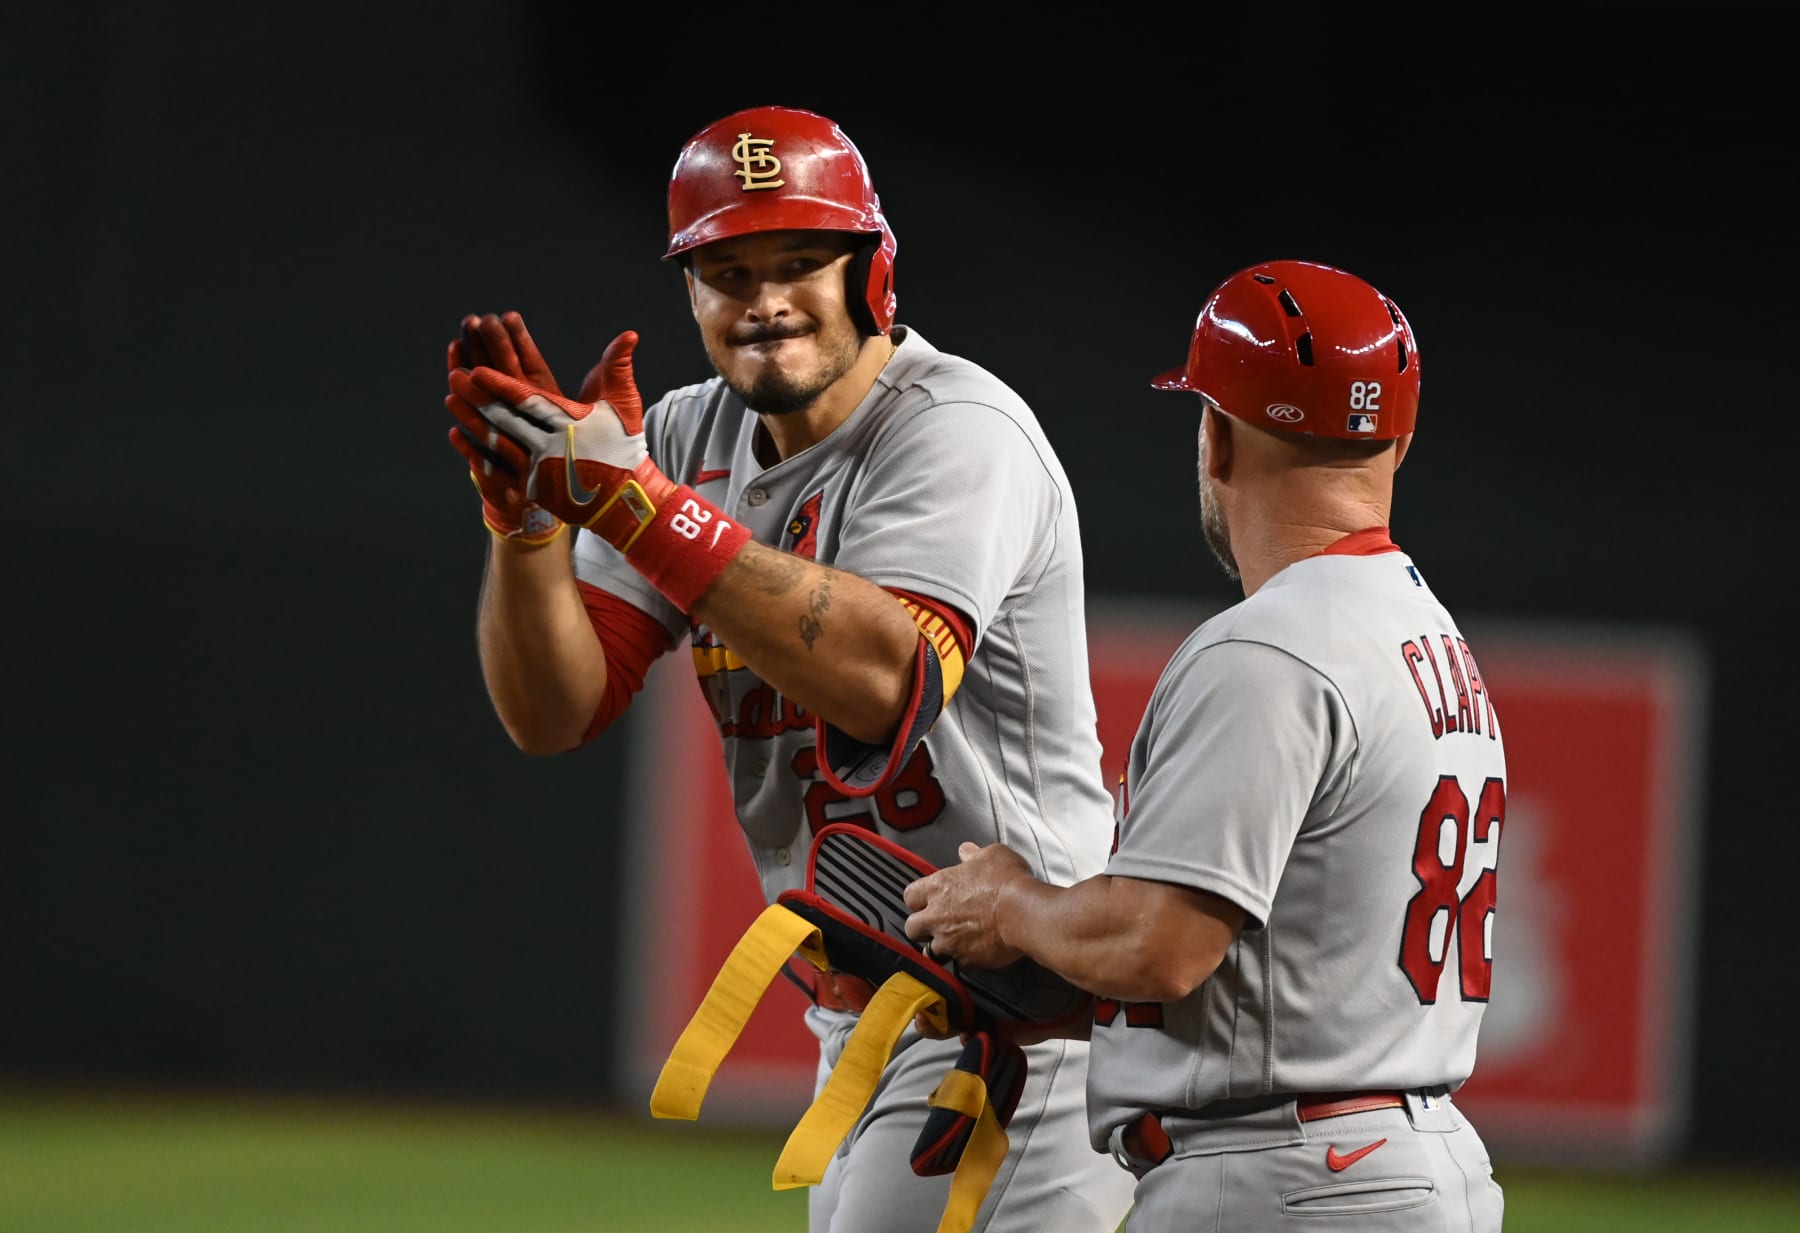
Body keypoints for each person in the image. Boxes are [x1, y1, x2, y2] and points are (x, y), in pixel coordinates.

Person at [437, 104, 1137, 1233]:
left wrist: (631, 503)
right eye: (728, 269)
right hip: (872, 1018)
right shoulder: (680, 439)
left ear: (873, 275)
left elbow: (883, 680)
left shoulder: (956, 428)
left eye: (802, 261)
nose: (764, 299)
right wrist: (527, 535)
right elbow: (556, 709)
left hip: (1021, 1029)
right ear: (692, 294)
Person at [902, 260, 1508, 1232]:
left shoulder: (1269, 644)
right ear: (1398, 440)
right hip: (1389, 1159)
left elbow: (1159, 945)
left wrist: (1010, 902)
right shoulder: (1432, 641)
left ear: (1216, 435)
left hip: (1287, 1176)